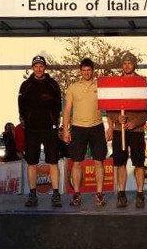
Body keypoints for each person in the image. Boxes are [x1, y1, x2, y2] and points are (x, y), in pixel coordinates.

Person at [106, 52, 147, 208]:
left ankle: (140, 194)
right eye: (124, 63)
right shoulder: (115, 83)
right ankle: (121, 194)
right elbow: (109, 108)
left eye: (129, 63)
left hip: (136, 131)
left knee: (139, 163)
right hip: (119, 131)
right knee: (120, 163)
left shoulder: (142, 83)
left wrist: (135, 123)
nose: (126, 66)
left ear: (134, 65)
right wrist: (116, 118)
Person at [62, 58, 108, 206]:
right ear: (80, 71)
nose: (86, 73)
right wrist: (65, 130)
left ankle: (99, 194)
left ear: (93, 71)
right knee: (76, 162)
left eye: (89, 70)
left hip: (97, 126)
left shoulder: (100, 86)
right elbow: (67, 110)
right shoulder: (73, 87)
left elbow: (109, 106)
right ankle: (76, 194)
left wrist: (110, 127)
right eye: (83, 70)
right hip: (78, 127)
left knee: (99, 161)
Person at [19, 55, 62, 207]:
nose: (38, 69)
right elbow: (21, 106)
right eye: (36, 66)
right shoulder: (26, 85)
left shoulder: (53, 84)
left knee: (53, 162)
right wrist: (25, 121)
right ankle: (32, 194)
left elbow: (58, 106)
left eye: (41, 66)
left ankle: (56, 194)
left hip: (49, 129)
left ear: (45, 68)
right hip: (32, 129)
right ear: (32, 68)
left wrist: (55, 121)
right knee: (32, 162)